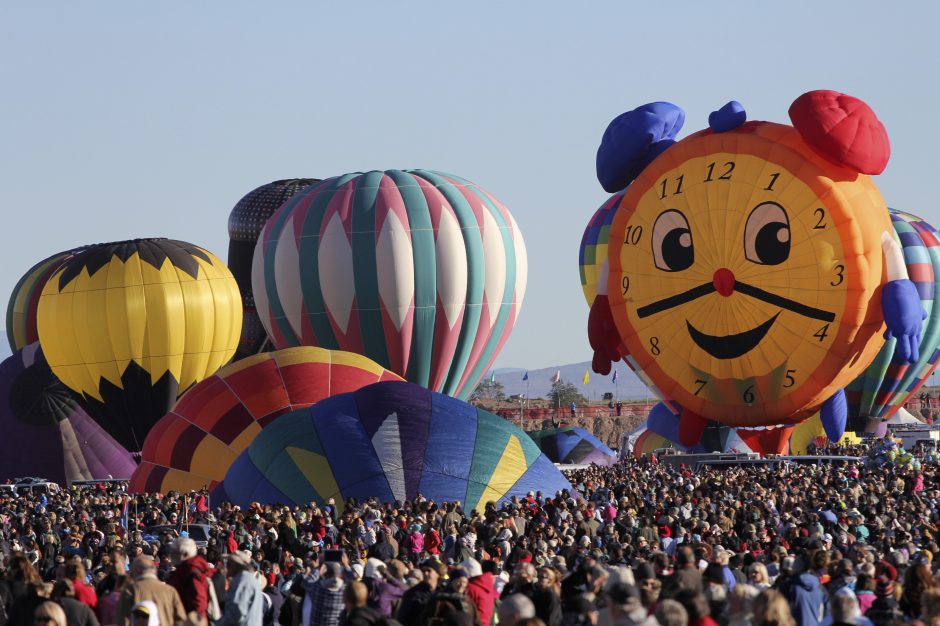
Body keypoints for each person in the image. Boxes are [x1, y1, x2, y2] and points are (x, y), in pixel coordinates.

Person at [116, 556, 186, 626]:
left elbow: (123, 621)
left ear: (137, 571)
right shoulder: (170, 590)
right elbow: (181, 620)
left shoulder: (129, 590)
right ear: (154, 571)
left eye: (132, 572)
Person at [217, 551, 265, 626]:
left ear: (237, 566)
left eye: (229, 565)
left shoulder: (242, 581)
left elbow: (236, 613)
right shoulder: (247, 579)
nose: (226, 568)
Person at [397, 560, 443, 626]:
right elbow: (402, 619)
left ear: (437, 574)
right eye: (423, 571)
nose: (425, 573)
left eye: (429, 570)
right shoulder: (412, 593)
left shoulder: (443, 593)